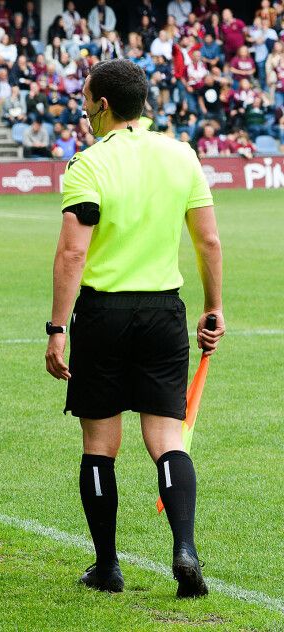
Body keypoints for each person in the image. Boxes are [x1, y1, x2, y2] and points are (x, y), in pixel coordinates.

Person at [45, 59, 224, 599]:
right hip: (164, 311)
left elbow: (74, 251)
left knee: (101, 444)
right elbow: (209, 241)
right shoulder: (180, 153)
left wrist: (57, 327)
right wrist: (213, 308)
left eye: (84, 98)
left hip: (104, 314)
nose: (80, 107)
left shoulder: (88, 164)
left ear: (102, 106)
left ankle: (107, 566)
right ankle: (186, 549)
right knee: (167, 439)